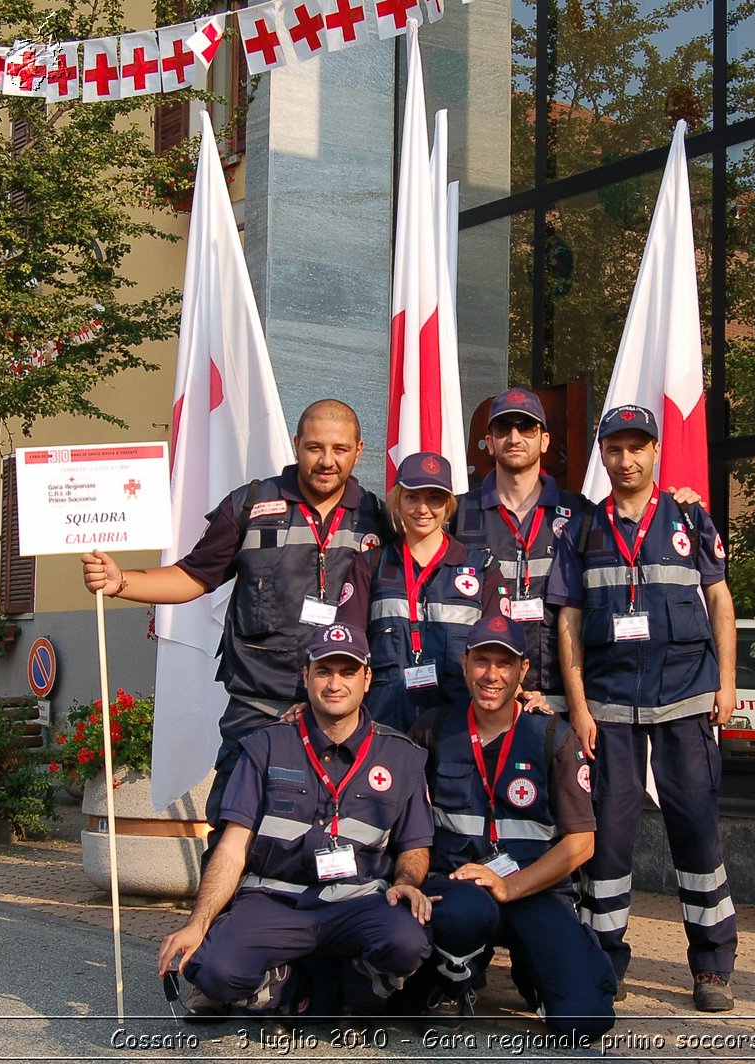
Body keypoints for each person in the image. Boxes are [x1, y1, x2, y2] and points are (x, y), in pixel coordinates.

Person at [81, 399, 388, 829]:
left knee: (335, 834)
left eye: (339, 449)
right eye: (315, 447)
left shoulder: (380, 519)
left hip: (341, 713)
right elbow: (193, 576)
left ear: (359, 450)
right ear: (296, 445)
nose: (326, 461)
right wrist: (121, 582)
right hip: (257, 710)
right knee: (234, 831)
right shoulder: (250, 506)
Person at [548, 404, 739, 1013]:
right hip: (608, 709)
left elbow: (720, 600)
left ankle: (711, 967)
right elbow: (569, 621)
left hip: (686, 700)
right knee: (608, 842)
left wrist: (728, 683)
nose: (626, 461)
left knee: (697, 832)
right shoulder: (582, 528)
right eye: (614, 449)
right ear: (601, 454)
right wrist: (578, 708)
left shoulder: (688, 514)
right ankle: (604, 961)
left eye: (638, 448)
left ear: (656, 451)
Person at [156, 623, 434, 1020]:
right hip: (274, 901)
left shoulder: (402, 756)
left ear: (367, 678)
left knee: (407, 940)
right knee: (213, 971)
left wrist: (406, 885)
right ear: (306, 676)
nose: (334, 683)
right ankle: (283, 985)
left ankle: (354, 990)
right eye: (323, 671)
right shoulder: (265, 746)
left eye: (347, 671)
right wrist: (198, 924)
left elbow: (415, 846)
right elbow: (232, 847)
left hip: (358, 903)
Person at [408, 615, 616, 1037]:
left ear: (523, 671)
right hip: (458, 888)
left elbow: (581, 844)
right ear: (464, 663)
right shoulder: (433, 729)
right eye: (481, 661)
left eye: (504, 664)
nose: (491, 675)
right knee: (464, 914)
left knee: (584, 1021)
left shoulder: (551, 735)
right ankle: (453, 980)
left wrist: (510, 887)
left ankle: (539, 968)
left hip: (533, 889)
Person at [452, 386, 706, 714]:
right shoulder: (456, 516)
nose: (515, 437)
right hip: (484, 695)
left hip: (560, 702)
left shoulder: (583, 516)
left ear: (544, 440)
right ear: (489, 441)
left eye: (526, 427)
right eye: (503, 427)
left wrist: (678, 505)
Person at [366, 451, 500, 732]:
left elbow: (498, 651)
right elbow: (349, 647)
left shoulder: (482, 568)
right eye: (412, 497)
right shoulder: (371, 564)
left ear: (449, 503)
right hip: (384, 726)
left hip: (458, 729)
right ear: (398, 501)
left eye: (434, 498)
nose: (422, 508)